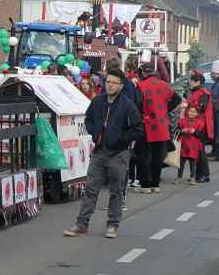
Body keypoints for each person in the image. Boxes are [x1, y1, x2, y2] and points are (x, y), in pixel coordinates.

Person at [63, 69, 144, 239]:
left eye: (114, 82)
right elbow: (88, 119)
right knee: (91, 189)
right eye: (108, 82)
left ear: (121, 86)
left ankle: (112, 225)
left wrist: (120, 139)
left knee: (116, 190)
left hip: (118, 153)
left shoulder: (128, 105)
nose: (110, 85)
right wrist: (94, 132)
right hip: (99, 151)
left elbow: (138, 130)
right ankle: (81, 225)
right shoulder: (98, 101)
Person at [136, 62, 181, 194]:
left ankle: (145, 185)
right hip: (161, 125)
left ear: (143, 73)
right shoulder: (164, 85)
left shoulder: (141, 86)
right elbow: (177, 99)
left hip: (146, 124)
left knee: (144, 156)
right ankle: (155, 184)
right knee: (157, 157)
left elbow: (137, 104)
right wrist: (165, 110)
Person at [187, 71, 214, 182]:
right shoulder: (196, 92)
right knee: (197, 150)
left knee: (200, 151)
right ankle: (199, 174)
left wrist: (190, 106)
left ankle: (203, 174)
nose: (190, 83)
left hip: (201, 125)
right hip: (195, 123)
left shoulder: (203, 93)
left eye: (191, 81)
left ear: (197, 82)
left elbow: (201, 108)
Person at [175, 107, 205, 186]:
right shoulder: (182, 121)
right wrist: (182, 131)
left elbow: (202, 135)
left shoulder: (200, 123)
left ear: (197, 114)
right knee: (181, 163)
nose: (191, 113)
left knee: (193, 163)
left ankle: (192, 177)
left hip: (194, 146)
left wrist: (195, 132)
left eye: (194, 112)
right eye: (190, 111)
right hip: (184, 145)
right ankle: (179, 177)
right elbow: (176, 131)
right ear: (187, 112)